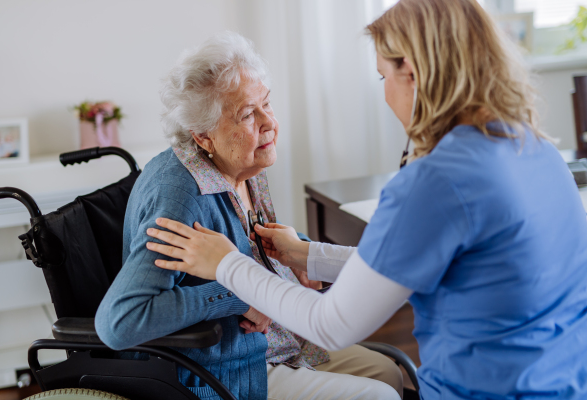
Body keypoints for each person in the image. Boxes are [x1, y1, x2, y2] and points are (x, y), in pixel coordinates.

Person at [145, 1, 587, 399]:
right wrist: (308, 255)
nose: (385, 90)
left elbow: (331, 325)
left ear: (413, 72)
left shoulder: (437, 181)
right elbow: (414, 258)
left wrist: (227, 264)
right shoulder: (536, 149)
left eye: (383, 75)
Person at [95, 32, 403, 400]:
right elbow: (121, 321)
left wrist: (299, 256)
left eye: (267, 104)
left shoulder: (242, 161)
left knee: (388, 375)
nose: (268, 122)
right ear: (204, 136)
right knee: (378, 396)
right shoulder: (179, 197)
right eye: (246, 115)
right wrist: (240, 294)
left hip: (281, 338)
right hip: (229, 366)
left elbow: (249, 251)